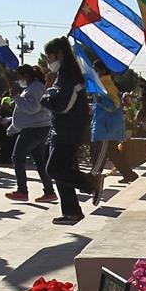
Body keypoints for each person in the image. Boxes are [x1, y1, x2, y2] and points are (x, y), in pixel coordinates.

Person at [42, 36, 90, 225]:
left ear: (60, 54)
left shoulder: (69, 76)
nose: (48, 61)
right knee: (62, 171)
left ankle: (90, 182)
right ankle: (71, 212)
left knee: (54, 169)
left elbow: (62, 105)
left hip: (68, 131)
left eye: (49, 57)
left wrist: (45, 96)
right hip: (60, 130)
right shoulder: (62, 75)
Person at [5, 66, 55, 203]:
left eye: (20, 77)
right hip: (35, 128)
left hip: (34, 129)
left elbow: (33, 108)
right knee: (39, 161)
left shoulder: (36, 88)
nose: (19, 80)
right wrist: (13, 128)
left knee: (17, 157)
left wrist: (16, 97)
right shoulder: (32, 88)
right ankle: (49, 191)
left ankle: (22, 191)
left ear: (26, 75)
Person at [88, 68, 135, 201]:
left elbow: (114, 104)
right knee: (113, 153)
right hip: (107, 127)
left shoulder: (106, 84)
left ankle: (93, 178)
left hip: (106, 129)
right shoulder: (104, 85)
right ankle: (129, 174)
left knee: (100, 156)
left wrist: (100, 101)